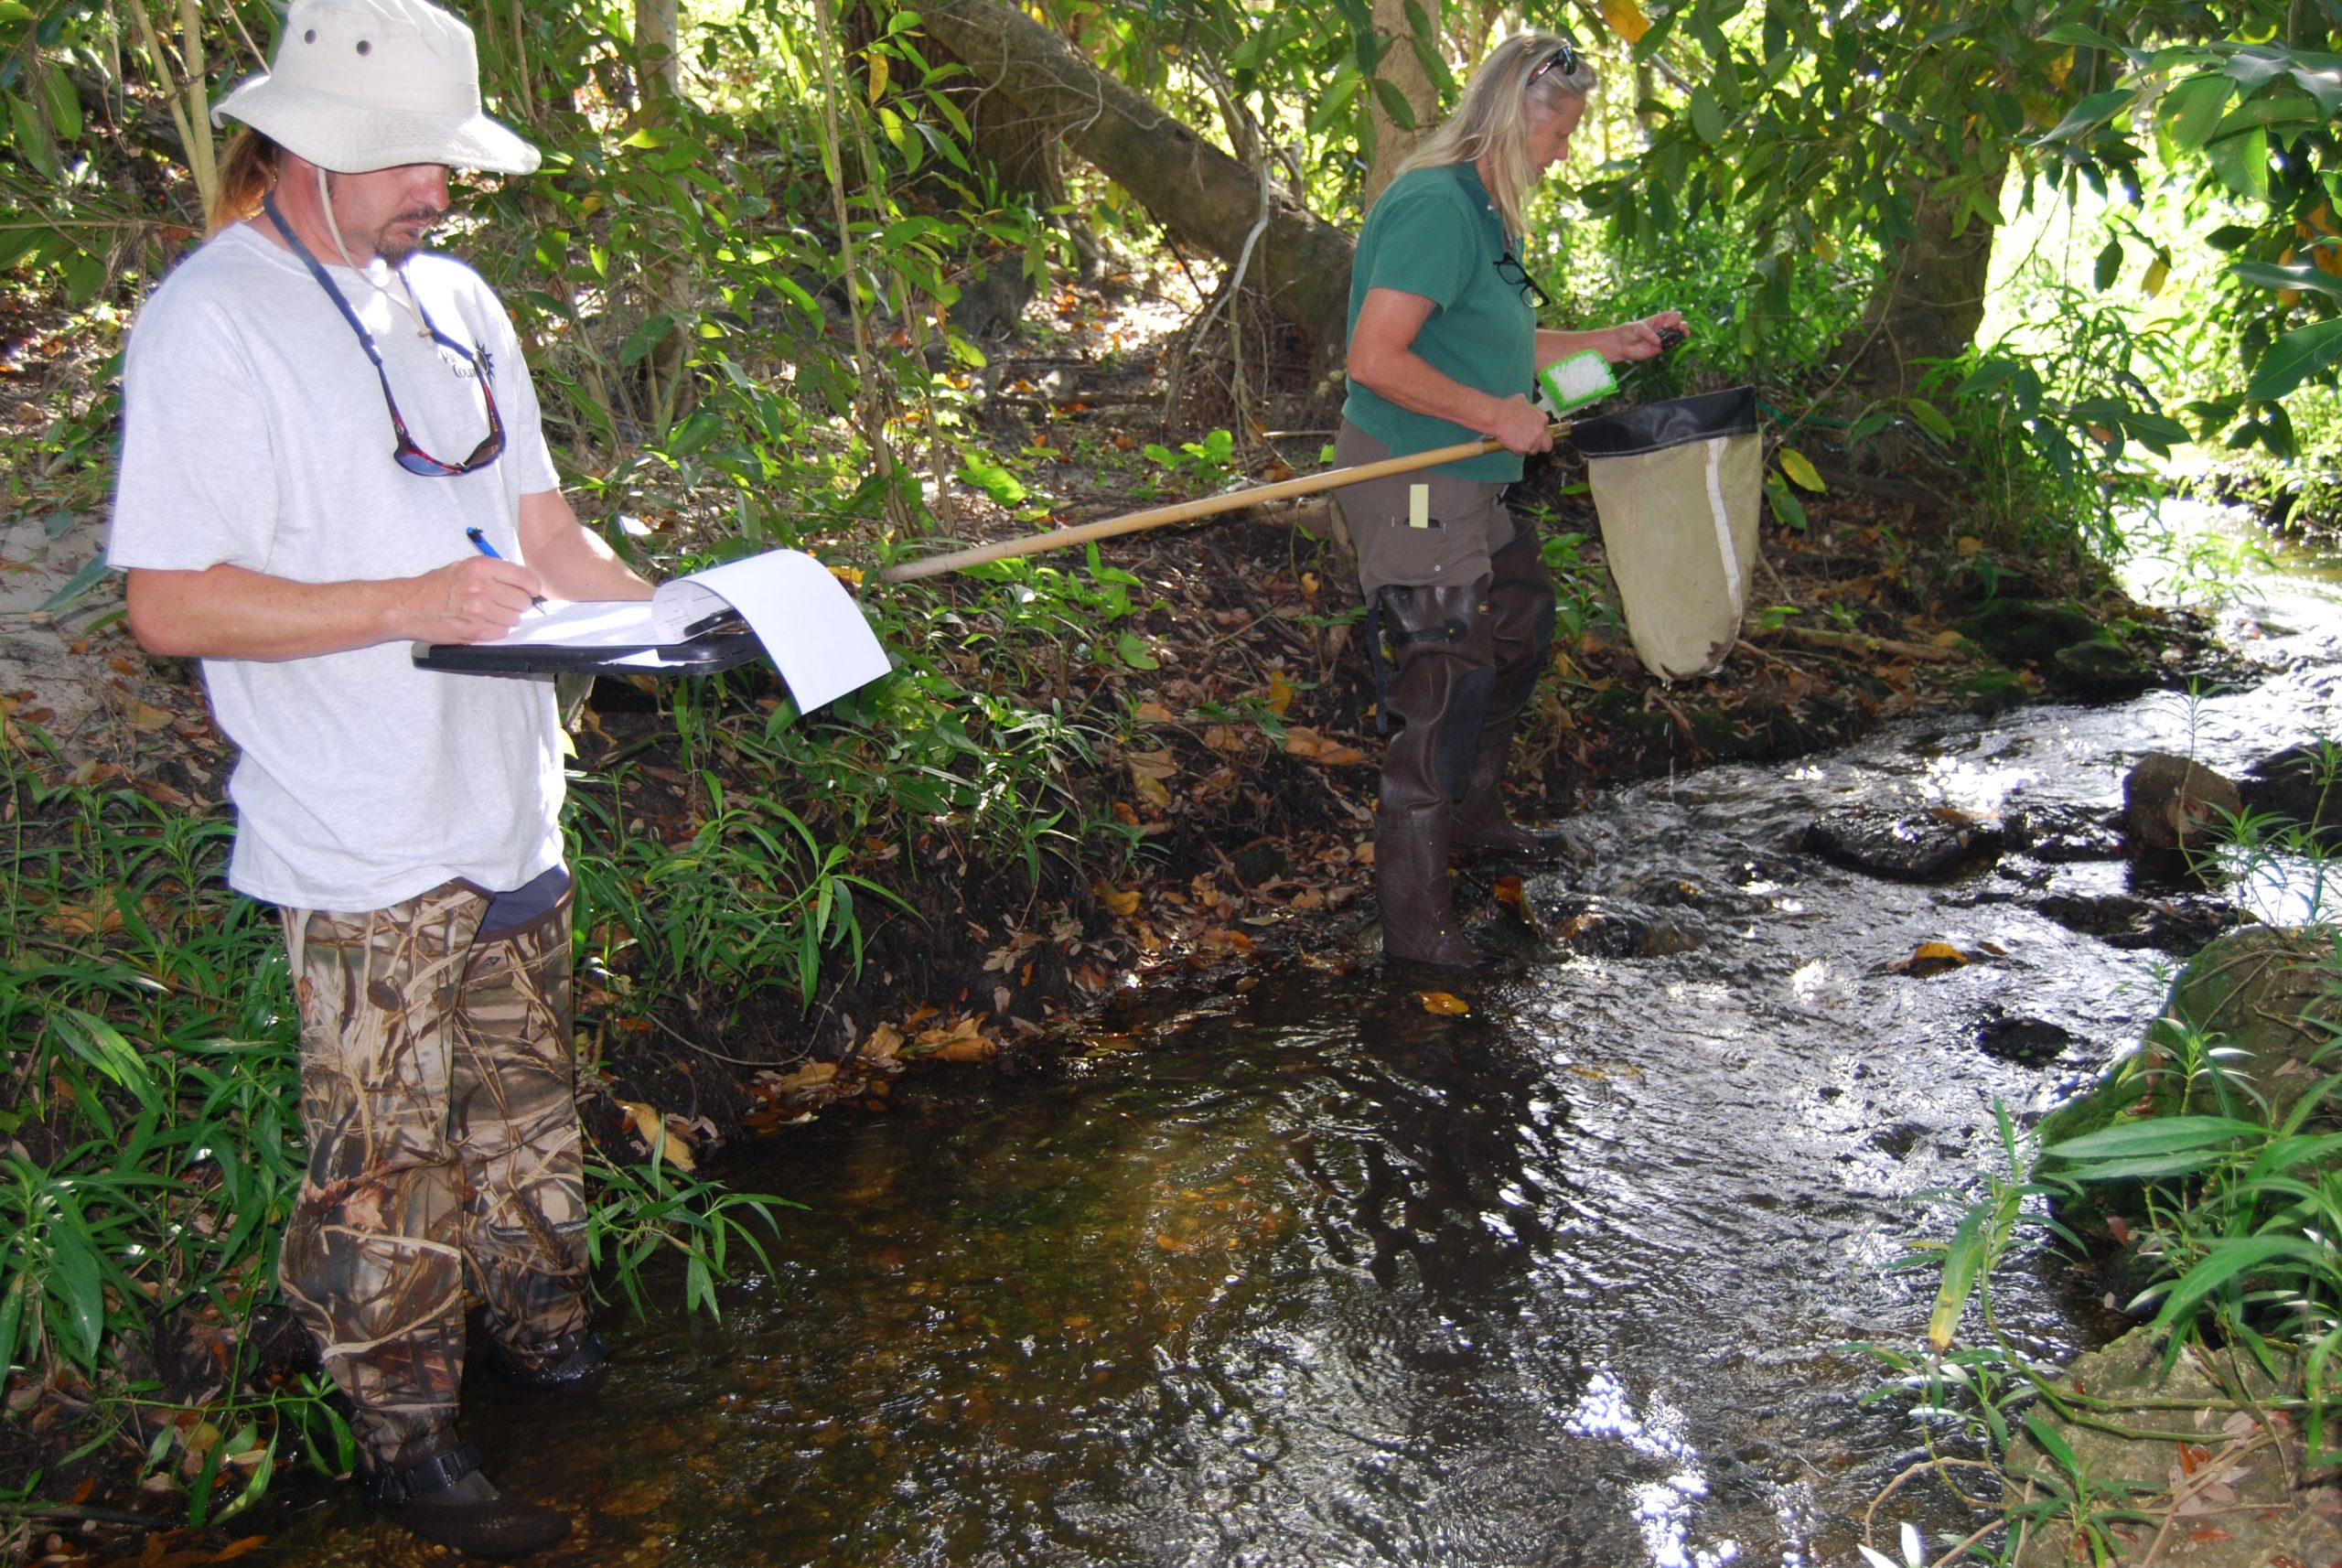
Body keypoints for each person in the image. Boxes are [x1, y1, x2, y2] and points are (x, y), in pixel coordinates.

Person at [107, 0, 654, 1553]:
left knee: (530, 1112)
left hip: (505, 801)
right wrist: (403, 604)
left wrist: (676, 611)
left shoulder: (461, 298)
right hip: (358, 834)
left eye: (444, 156)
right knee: (384, 1159)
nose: (438, 187)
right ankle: (411, 1445)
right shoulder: (214, 319)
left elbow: (547, 539)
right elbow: (170, 599)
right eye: (406, 157)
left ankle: (554, 1345)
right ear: (305, 145)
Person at [1337, 31, 1686, 969]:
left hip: (1469, 478)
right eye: (1561, 128)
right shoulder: (1433, 207)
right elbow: (1375, 359)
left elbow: (1490, 341)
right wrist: (1495, 414)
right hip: (1411, 478)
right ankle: (1417, 929)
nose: (1567, 148)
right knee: (1444, 684)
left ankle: (1475, 813)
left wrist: (1605, 344)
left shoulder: (1486, 212)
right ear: (1512, 114)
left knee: (1522, 617)